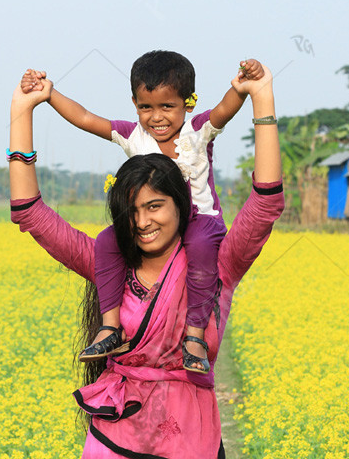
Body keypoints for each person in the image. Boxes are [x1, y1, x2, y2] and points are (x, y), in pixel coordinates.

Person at [7, 64, 283, 458]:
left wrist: (262, 98)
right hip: (113, 439)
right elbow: (30, 214)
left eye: (155, 206)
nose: (142, 222)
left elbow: (266, 203)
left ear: (183, 203)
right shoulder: (110, 264)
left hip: (191, 440)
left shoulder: (218, 263)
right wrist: (23, 110)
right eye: (131, 210)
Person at [21, 52, 264, 374]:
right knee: (108, 239)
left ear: (188, 103)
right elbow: (83, 117)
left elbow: (225, 110)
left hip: (200, 221)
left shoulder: (198, 129)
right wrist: (49, 94)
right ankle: (110, 326)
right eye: (145, 107)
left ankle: (194, 334)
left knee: (201, 248)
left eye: (167, 106)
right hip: (149, 225)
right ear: (134, 103)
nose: (156, 117)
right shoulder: (131, 135)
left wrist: (243, 86)